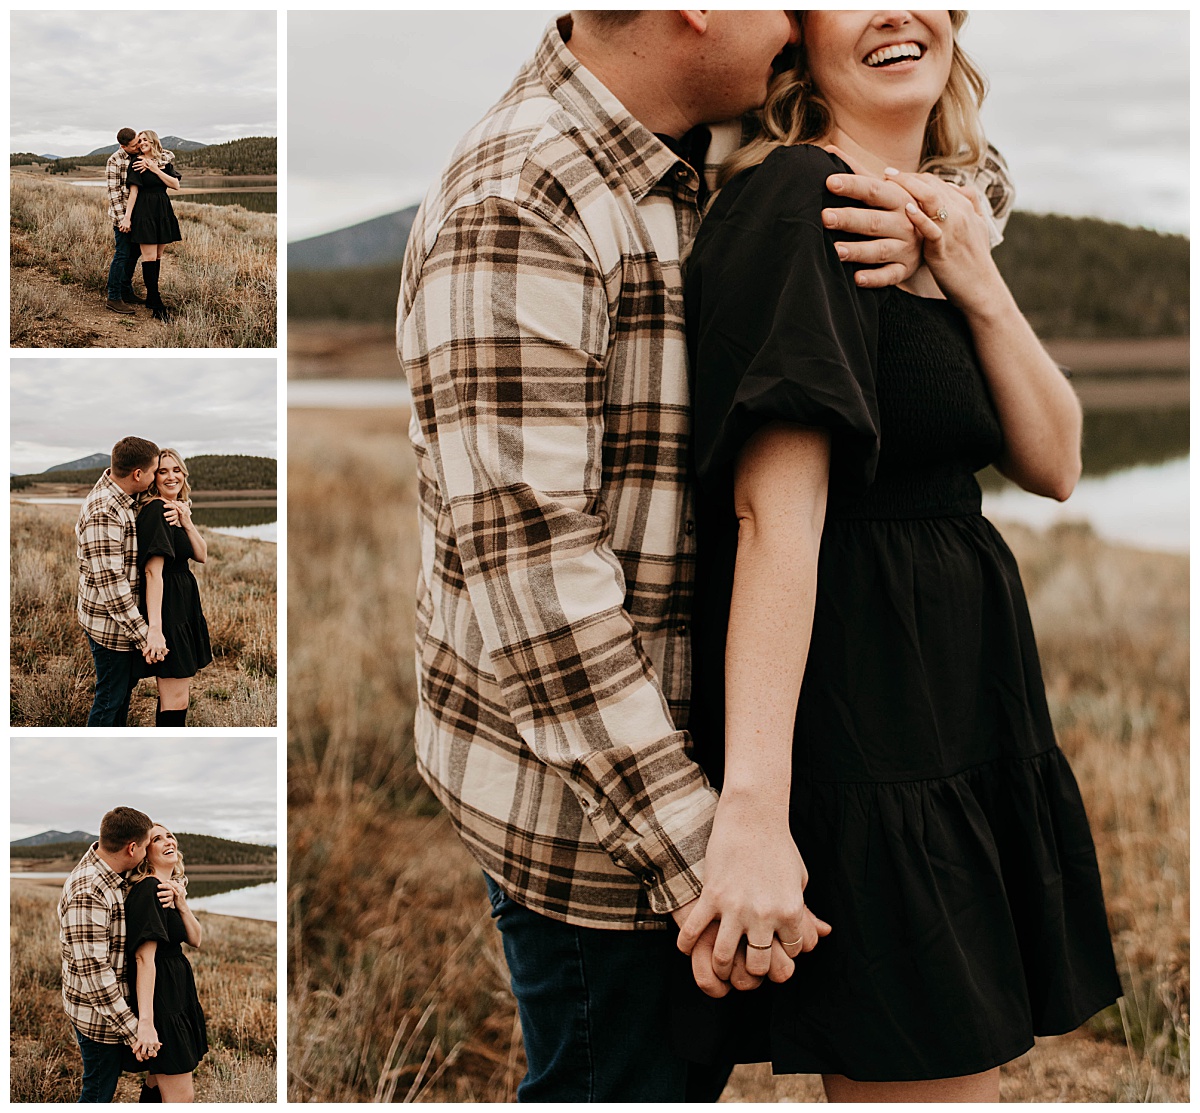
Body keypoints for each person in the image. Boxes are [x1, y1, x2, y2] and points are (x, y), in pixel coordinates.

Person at [398, 11, 961, 1102]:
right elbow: (537, 587)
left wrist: (935, 233)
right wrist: (707, 855)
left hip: (669, 776)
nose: (800, 17)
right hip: (596, 825)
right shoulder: (520, 200)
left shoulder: (686, 151)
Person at [673, 10, 1121, 1102]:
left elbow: (1057, 461)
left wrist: (973, 271)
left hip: (963, 705)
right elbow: (772, 517)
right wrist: (754, 815)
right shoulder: (798, 199)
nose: (890, 10)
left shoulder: (944, 222)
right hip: (870, 723)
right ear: (799, 35)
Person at [59, 807, 161, 1102]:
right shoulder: (89, 892)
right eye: (145, 846)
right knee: (97, 1093)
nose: (145, 854)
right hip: (97, 1018)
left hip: (104, 1014)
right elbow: (95, 975)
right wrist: (135, 1033)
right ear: (131, 848)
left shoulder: (110, 869)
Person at [77, 437, 168, 727]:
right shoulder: (105, 511)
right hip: (110, 628)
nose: (157, 477)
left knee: (119, 700)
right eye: (155, 472)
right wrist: (146, 637)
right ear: (137, 474)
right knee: (109, 703)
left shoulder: (120, 494)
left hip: (118, 626)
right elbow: (112, 586)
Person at [121, 824, 208, 1102]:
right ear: (146, 854)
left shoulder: (168, 889)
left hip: (178, 990)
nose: (167, 840)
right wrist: (147, 1022)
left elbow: (195, 939)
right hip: (162, 996)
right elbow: (144, 957)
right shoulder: (148, 890)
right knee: (182, 1098)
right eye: (156, 839)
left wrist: (182, 903)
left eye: (168, 835)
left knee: (157, 1082)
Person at [135, 449, 213, 727]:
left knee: (176, 696)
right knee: (175, 700)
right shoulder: (157, 510)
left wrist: (187, 521)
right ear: (153, 477)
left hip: (184, 605)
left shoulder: (175, 509)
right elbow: (152, 572)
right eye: (163, 471)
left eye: (176, 470)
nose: (171, 476)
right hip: (169, 609)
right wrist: (155, 629)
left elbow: (202, 555)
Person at [119, 130, 183, 322]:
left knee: (157, 257)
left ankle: (152, 298)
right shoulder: (136, 163)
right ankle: (156, 305)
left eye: (146, 139)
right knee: (148, 258)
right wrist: (127, 217)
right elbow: (134, 192)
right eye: (140, 141)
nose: (143, 143)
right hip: (144, 213)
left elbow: (175, 185)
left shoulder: (164, 163)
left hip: (162, 211)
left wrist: (155, 169)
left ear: (154, 142)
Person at [105, 128, 146, 316]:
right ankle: (113, 297)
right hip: (122, 217)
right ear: (123, 146)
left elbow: (167, 154)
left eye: (139, 141)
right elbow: (114, 194)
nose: (138, 146)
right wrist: (124, 220)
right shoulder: (115, 160)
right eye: (134, 145)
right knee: (122, 254)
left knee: (135, 252)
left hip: (139, 216)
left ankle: (126, 291)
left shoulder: (140, 153)